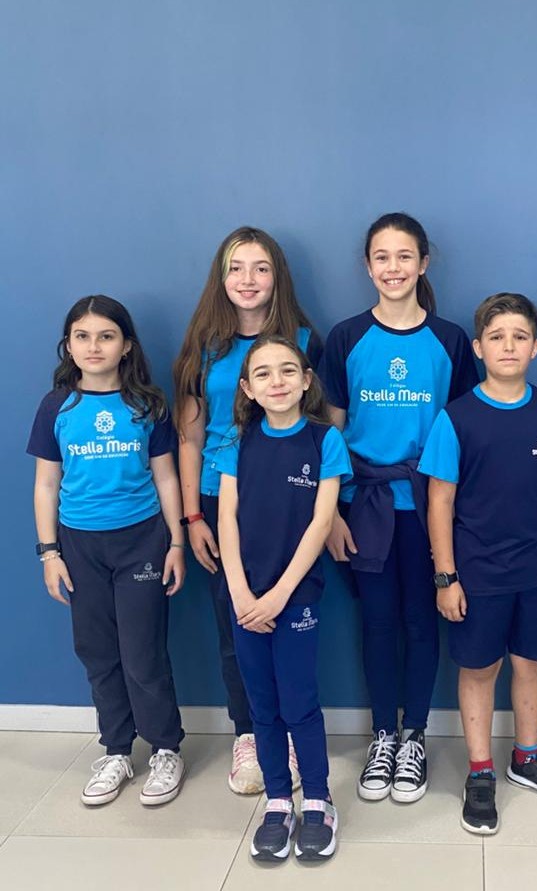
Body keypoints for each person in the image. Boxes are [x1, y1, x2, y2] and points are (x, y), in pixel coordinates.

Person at [320, 212, 478, 803]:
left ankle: (414, 735)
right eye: (382, 257)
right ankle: (383, 734)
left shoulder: (450, 340)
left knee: (420, 620)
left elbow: (463, 429)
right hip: (365, 504)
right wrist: (331, 514)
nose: (394, 268)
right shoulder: (346, 338)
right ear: (368, 266)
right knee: (378, 621)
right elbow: (330, 434)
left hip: (430, 506)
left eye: (404, 256)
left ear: (423, 263)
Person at [420, 293, 537, 835]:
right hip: (478, 574)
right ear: (478, 348)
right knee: (479, 669)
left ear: (535, 347)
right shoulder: (457, 417)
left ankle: (527, 758)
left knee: (533, 664)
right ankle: (480, 771)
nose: (508, 346)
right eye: (496, 337)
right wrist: (446, 576)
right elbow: (440, 501)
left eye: (519, 336)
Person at [173, 226, 320, 794]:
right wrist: (192, 517)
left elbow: (322, 429)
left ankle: (291, 732)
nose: (248, 279)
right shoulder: (202, 347)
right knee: (235, 622)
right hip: (218, 500)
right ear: (221, 276)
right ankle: (250, 734)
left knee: (290, 617)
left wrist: (333, 512)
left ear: (277, 276)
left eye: (261, 267)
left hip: (291, 500)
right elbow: (189, 437)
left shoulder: (305, 341)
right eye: (236, 267)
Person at [28, 295, 186, 807]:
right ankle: (117, 749)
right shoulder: (56, 406)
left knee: (142, 655)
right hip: (79, 546)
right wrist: (49, 553)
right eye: (82, 336)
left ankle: (165, 747)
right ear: (68, 345)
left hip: (142, 542)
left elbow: (167, 477)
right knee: (97, 652)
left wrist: (177, 542)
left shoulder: (148, 405)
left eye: (106, 336)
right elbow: (46, 485)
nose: (93, 346)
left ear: (126, 346)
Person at [217, 335, 350, 861]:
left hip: (294, 598)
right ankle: (278, 801)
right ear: (248, 388)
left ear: (306, 380)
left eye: (288, 370)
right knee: (263, 706)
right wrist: (240, 592)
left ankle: (317, 800)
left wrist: (278, 596)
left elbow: (320, 524)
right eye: (264, 373)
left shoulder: (324, 441)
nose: (277, 381)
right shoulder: (236, 443)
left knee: (298, 703)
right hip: (244, 600)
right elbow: (227, 520)